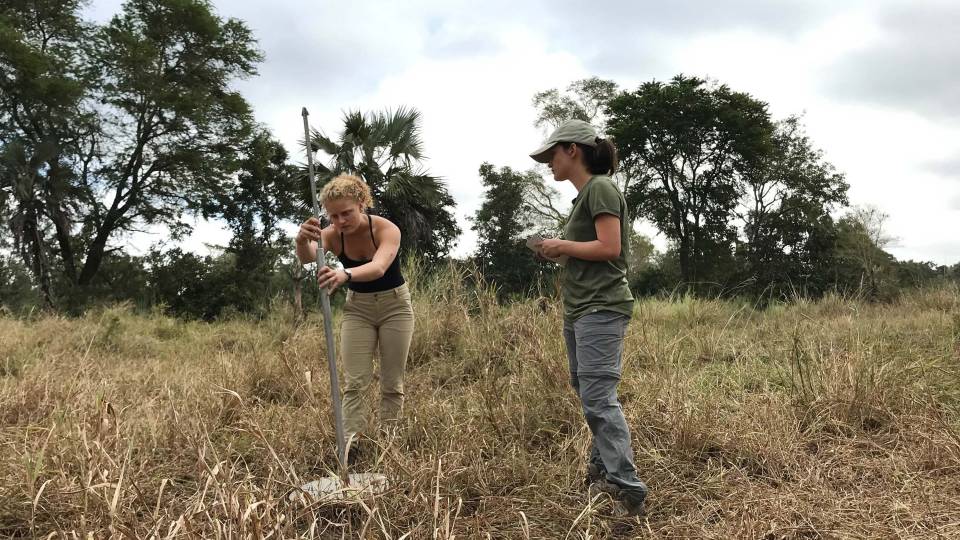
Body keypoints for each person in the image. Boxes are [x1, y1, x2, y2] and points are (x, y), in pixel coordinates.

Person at [529, 119, 648, 516]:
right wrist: (559, 249)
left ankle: (628, 489)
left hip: (601, 306)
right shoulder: (583, 197)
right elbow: (592, 247)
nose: (549, 163)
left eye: (552, 155)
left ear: (573, 150)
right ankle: (601, 471)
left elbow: (610, 247)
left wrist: (562, 243)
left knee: (598, 398)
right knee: (589, 393)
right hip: (581, 307)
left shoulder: (599, 187)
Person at [295, 174, 415, 443]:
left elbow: (379, 267)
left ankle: (389, 440)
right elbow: (307, 257)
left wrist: (344, 274)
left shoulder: (386, 229)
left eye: (346, 213)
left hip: (395, 306)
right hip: (358, 309)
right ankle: (352, 442)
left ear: (362, 203)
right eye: (333, 216)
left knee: (391, 381)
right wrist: (302, 240)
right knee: (355, 381)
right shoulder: (334, 234)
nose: (340, 222)